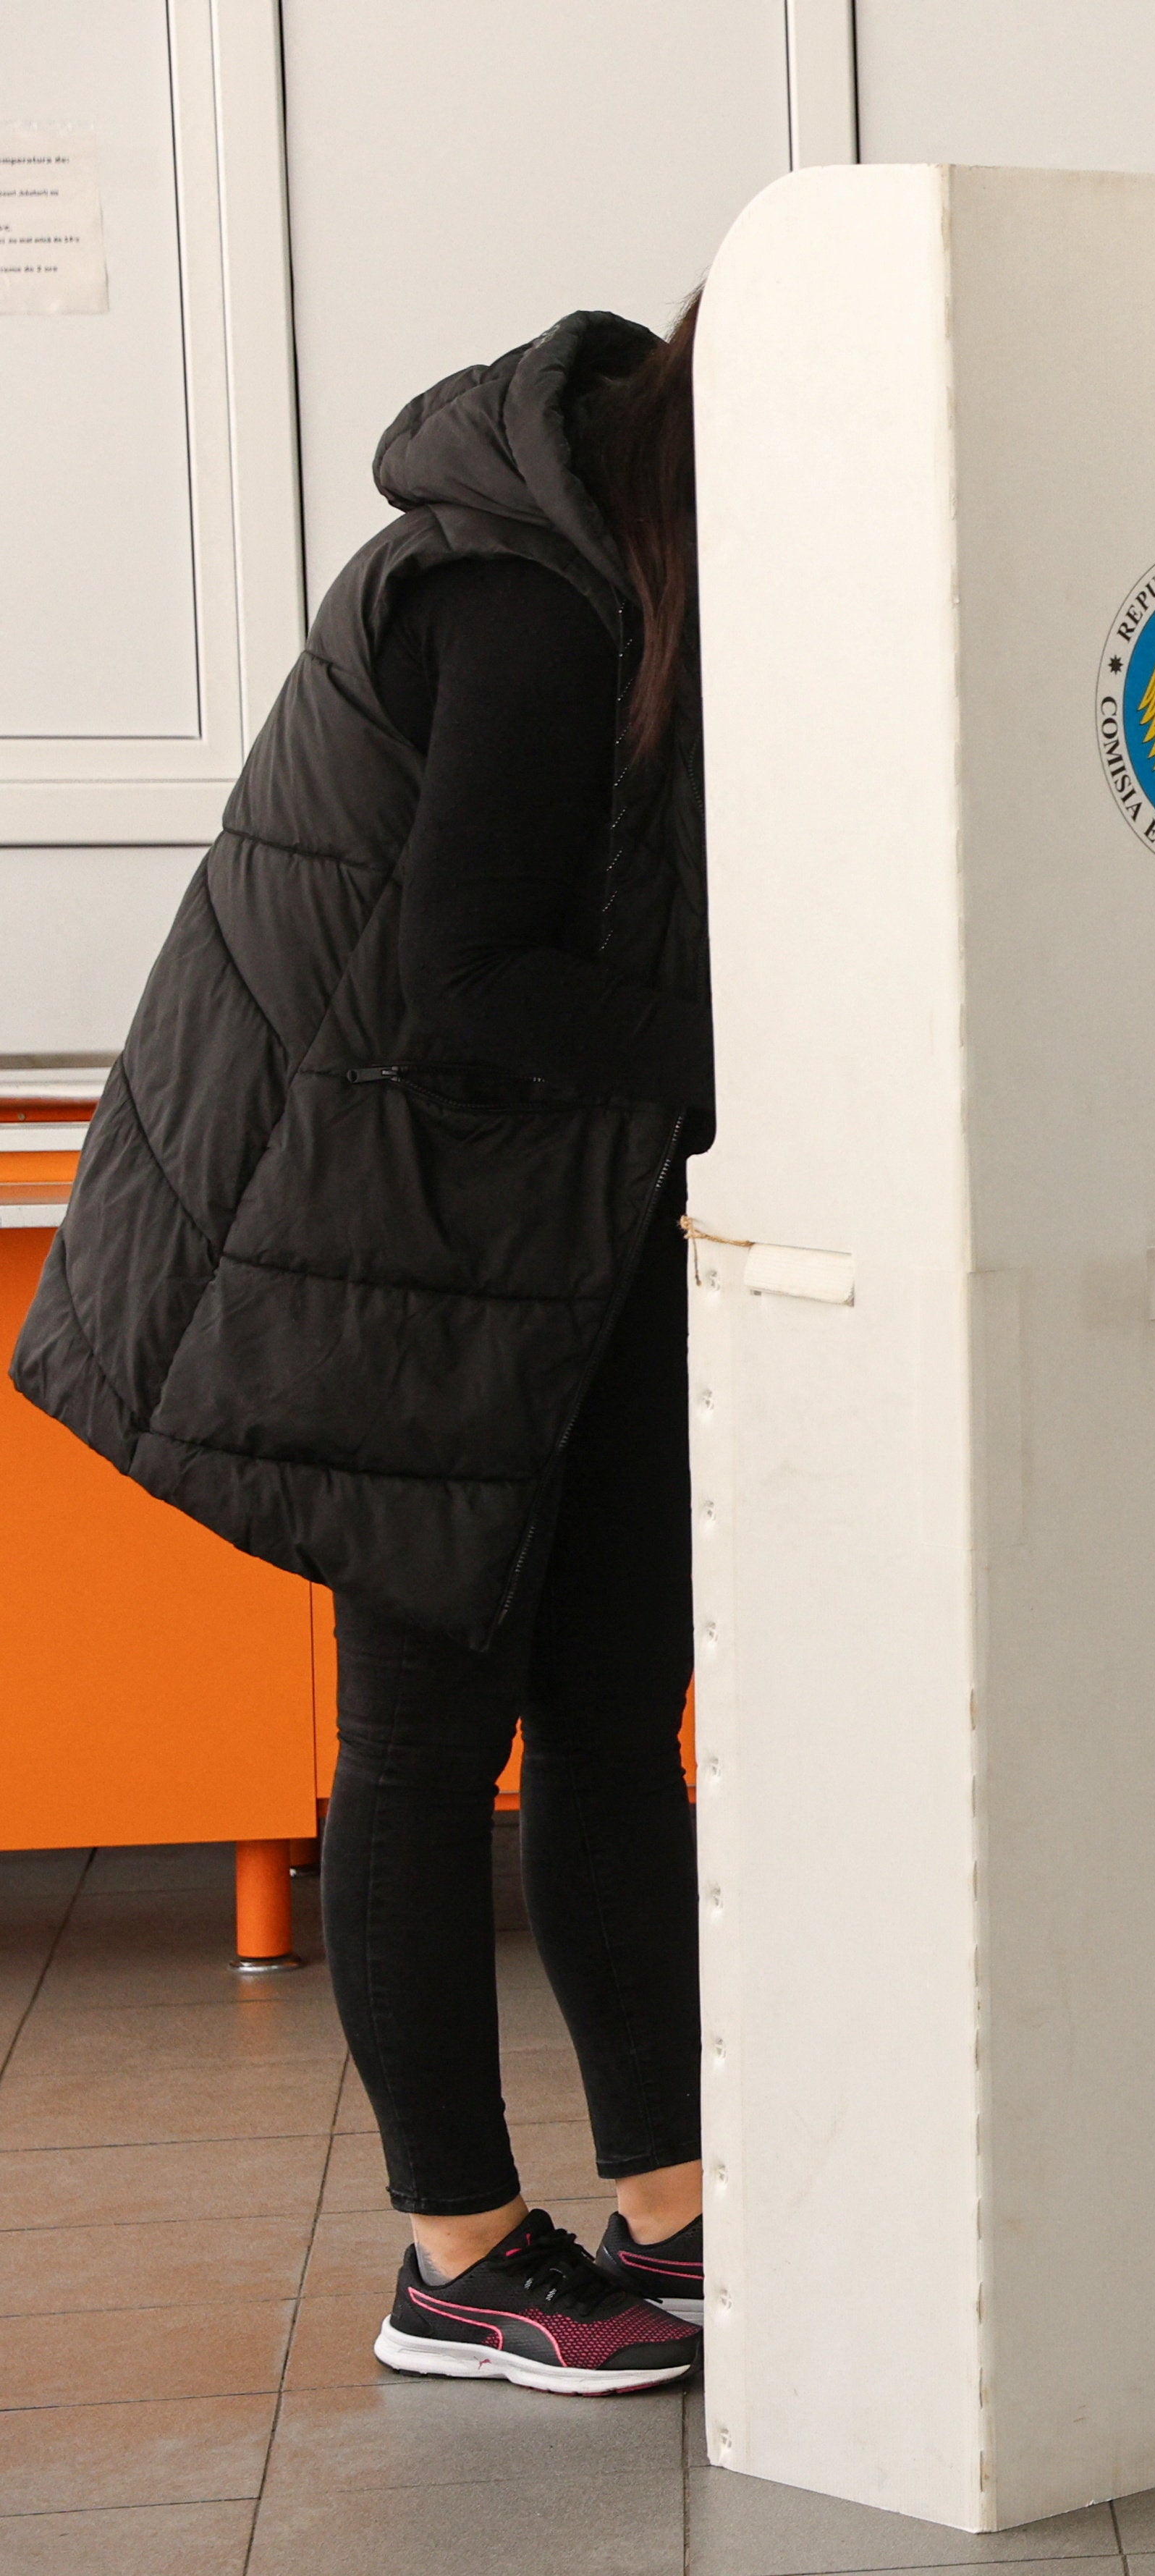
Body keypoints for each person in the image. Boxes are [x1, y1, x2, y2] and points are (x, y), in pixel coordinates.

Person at [11, 305, 716, 2394]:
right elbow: (465, 969)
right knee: (425, 1733)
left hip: (556, 1220)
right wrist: (766, 1061)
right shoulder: (526, 597)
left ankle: (671, 2201)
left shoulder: (641, 575)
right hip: (373, 1231)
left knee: (614, 1702)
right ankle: (454, 2251)